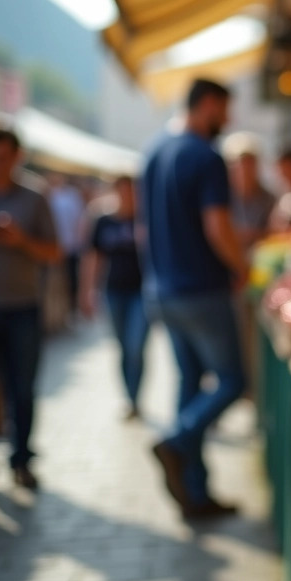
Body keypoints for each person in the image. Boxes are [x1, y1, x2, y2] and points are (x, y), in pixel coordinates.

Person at [141, 79, 249, 519]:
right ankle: (177, 440)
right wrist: (242, 266)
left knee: (189, 386)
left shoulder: (154, 152)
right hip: (202, 291)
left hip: (162, 291)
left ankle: (195, 494)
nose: (227, 120)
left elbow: (143, 228)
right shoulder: (205, 157)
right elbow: (217, 227)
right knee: (232, 382)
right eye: (224, 110)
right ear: (206, 105)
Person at [0, 127, 62, 497]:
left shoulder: (34, 196)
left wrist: (21, 241)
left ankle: (22, 461)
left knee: (22, 389)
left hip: (22, 308)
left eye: (2, 158)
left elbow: (54, 252)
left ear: (16, 157)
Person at [80, 176, 148, 420]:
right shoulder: (104, 221)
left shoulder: (146, 220)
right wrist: (87, 291)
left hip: (142, 292)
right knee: (122, 347)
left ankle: (135, 396)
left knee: (136, 345)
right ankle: (129, 398)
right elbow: (94, 257)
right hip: (114, 291)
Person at [224, 136, 275, 252]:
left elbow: (274, 233)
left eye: (249, 163)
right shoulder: (221, 198)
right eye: (240, 164)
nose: (244, 170)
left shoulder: (269, 198)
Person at [48, 174, 86, 318]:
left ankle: (69, 311)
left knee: (69, 280)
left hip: (69, 247)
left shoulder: (71, 197)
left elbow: (79, 222)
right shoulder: (53, 197)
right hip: (60, 247)